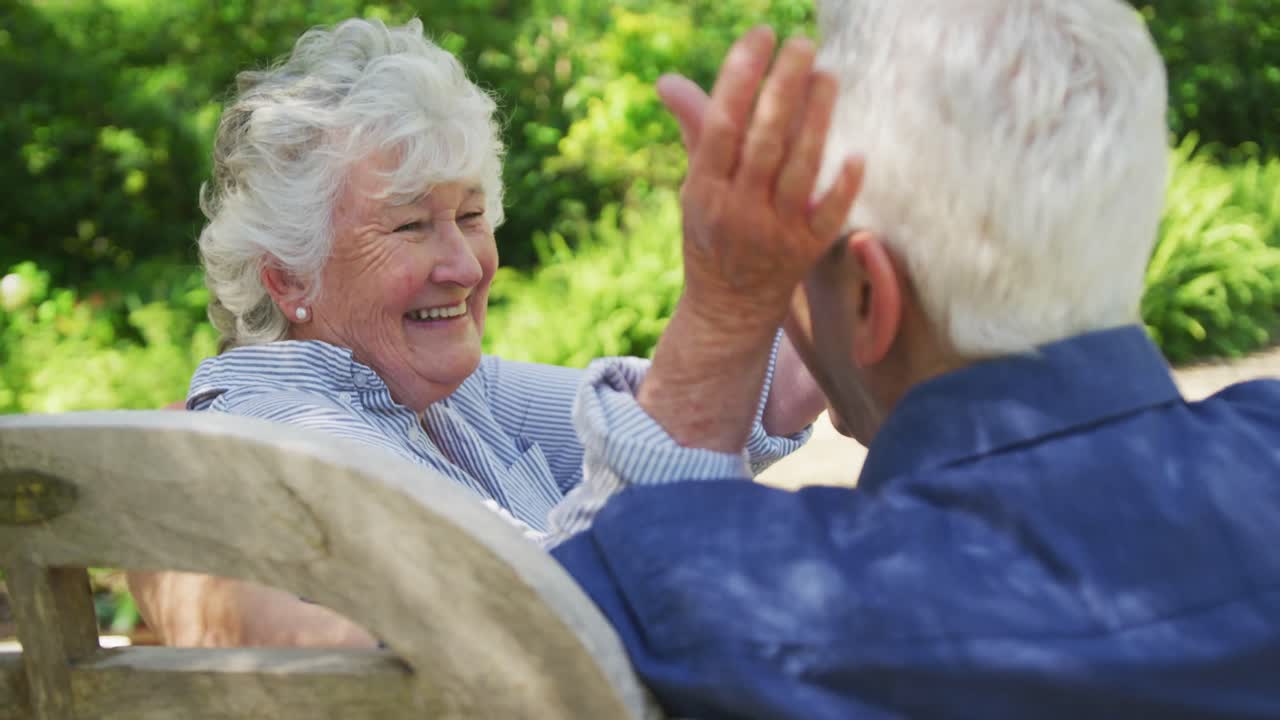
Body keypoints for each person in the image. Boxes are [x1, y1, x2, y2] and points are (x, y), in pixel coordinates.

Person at [547, 2, 1280, 718]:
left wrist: (725, 312)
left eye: (797, 269)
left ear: (867, 297)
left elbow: (539, 640)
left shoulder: (746, 600)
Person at [127, 17, 824, 649]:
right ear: (288, 279)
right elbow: (551, 625)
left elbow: (717, 410)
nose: (465, 265)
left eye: (468, 216)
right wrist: (722, 292)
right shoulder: (298, 428)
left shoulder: (440, 390)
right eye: (409, 226)